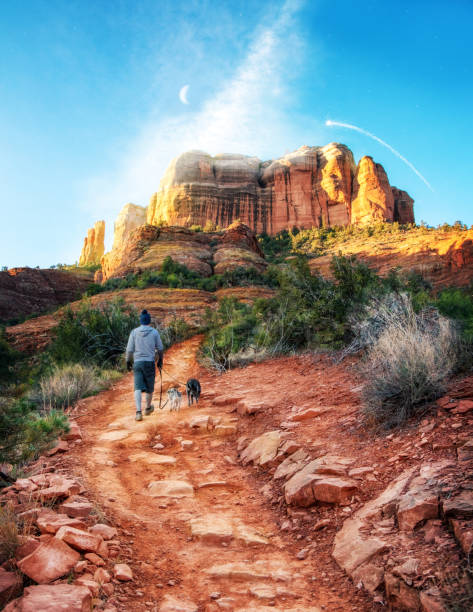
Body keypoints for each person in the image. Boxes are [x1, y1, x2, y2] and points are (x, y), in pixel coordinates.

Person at [125, 309, 164, 421]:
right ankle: (147, 408)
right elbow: (160, 348)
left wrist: (128, 361)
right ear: (149, 321)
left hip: (137, 363)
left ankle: (138, 412)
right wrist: (160, 360)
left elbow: (129, 350)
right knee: (149, 387)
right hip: (149, 362)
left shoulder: (134, 332)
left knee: (137, 387)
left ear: (141, 321)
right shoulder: (154, 332)